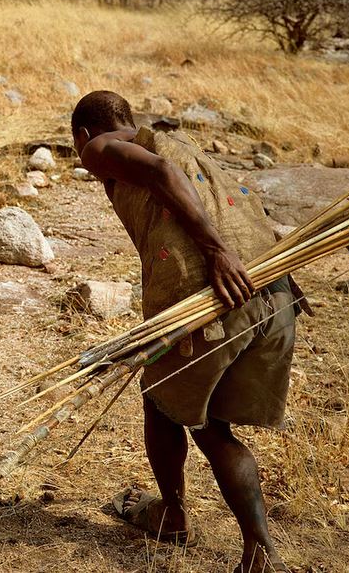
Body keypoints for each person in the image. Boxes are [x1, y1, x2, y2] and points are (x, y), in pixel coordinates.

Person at [71, 90, 297, 573]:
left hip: (210, 297)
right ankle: (246, 544)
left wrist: (215, 252)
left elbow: (161, 175)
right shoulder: (186, 145)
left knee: (166, 405)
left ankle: (183, 520)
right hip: (272, 291)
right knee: (213, 423)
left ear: (84, 135)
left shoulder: (100, 148)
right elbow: (241, 205)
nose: (88, 165)